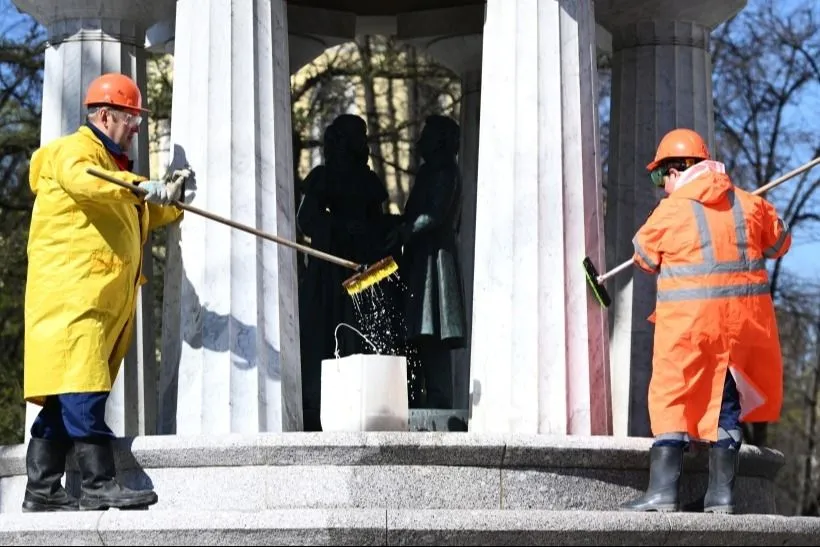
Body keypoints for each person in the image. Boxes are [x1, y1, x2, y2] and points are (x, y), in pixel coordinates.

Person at [22, 73, 191, 512]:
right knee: (83, 389)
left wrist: (169, 203)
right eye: (130, 117)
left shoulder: (113, 170)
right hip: (73, 300)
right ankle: (98, 483)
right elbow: (85, 182)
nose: (136, 125)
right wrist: (140, 186)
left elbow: (134, 215)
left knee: (65, 399)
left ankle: (40, 490)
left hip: (93, 301)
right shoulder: (74, 152)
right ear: (104, 115)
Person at [620, 128, 791, 513]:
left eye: (661, 176)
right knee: (725, 404)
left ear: (679, 169)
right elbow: (781, 245)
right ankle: (721, 497)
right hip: (740, 328)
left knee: (672, 397)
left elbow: (644, 258)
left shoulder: (671, 210)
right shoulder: (750, 205)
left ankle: (664, 492)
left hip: (687, 327)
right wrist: (759, 212)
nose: (661, 185)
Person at [296, 114, 395, 431]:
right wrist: (340, 228)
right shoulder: (323, 178)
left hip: (363, 269)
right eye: (358, 137)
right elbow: (307, 220)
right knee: (325, 333)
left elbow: (378, 224)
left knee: (362, 331)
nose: (363, 144)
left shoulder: (368, 181)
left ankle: (364, 398)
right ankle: (319, 403)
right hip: (329, 269)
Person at [385, 115, 467, 409]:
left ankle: (438, 401)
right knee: (419, 331)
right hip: (420, 261)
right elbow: (413, 215)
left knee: (432, 332)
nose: (420, 143)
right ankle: (419, 400)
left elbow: (433, 215)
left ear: (441, 142)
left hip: (436, 263)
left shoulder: (445, 172)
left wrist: (405, 231)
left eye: (427, 136)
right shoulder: (427, 173)